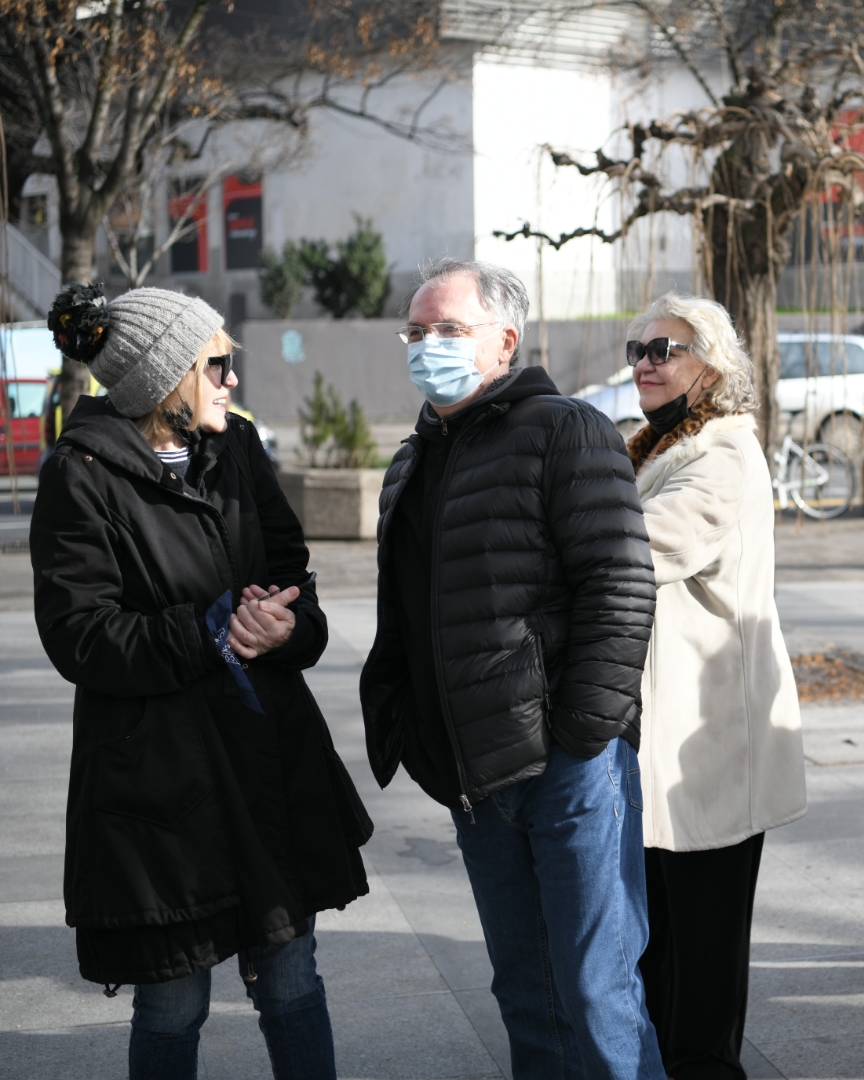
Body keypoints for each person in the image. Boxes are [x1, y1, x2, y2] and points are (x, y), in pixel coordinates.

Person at [30, 284, 371, 1080]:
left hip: (268, 763)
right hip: (164, 785)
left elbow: (292, 574)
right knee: (174, 1000)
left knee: (292, 979)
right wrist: (208, 628)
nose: (231, 380)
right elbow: (79, 635)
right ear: (167, 377)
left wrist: (288, 624)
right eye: (217, 364)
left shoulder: (238, 451)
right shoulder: (81, 476)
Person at [359, 259, 663, 1080]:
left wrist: (583, 732)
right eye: (417, 332)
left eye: (449, 329)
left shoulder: (566, 429)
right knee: (525, 990)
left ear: (505, 342)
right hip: (474, 770)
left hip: (566, 763)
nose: (428, 346)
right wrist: (409, 726)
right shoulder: (413, 460)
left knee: (597, 990)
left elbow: (622, 581)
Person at [621, 293, 806, 1080]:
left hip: (711, 739)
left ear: (713, 368)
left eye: (665, 348)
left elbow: (639, 548)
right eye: (637, 348)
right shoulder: (658, 448)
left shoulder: (721, 455)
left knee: (703, 945)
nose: (645, 362)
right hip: (671, 741)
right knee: (666, 934)